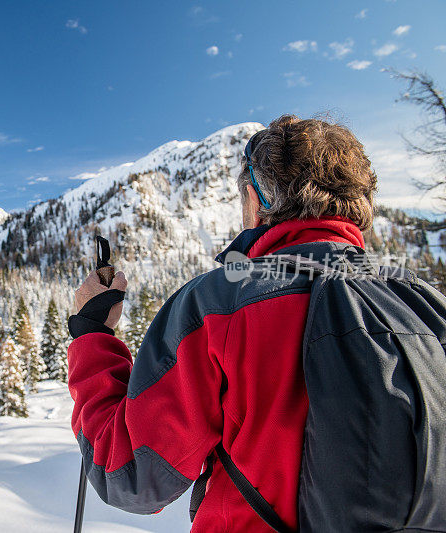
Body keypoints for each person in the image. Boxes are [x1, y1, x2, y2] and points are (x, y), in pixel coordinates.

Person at [67, 115, 446, 531]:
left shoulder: (220, 306)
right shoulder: (428, 305)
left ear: (256, 198)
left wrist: (92, 336)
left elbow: (129, 475)